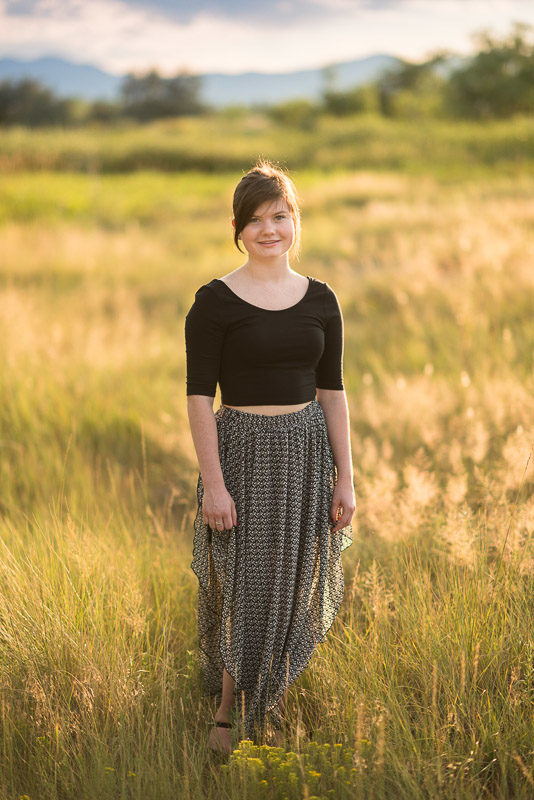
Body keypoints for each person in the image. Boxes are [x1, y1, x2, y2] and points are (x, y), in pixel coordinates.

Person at [184, 159, 355, 756]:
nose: (269, 229)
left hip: (307, 458)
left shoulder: (323, 300)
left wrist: (346, 480)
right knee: (244, 588)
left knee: (292, 582)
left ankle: (272, 702)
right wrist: (214, 485)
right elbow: (199, 398)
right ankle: (231, 710)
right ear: (238, 228)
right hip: (241, 456)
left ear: (295, 222)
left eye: (279, 216)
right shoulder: (214, 302)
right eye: (255, 219)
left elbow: (332, 392)